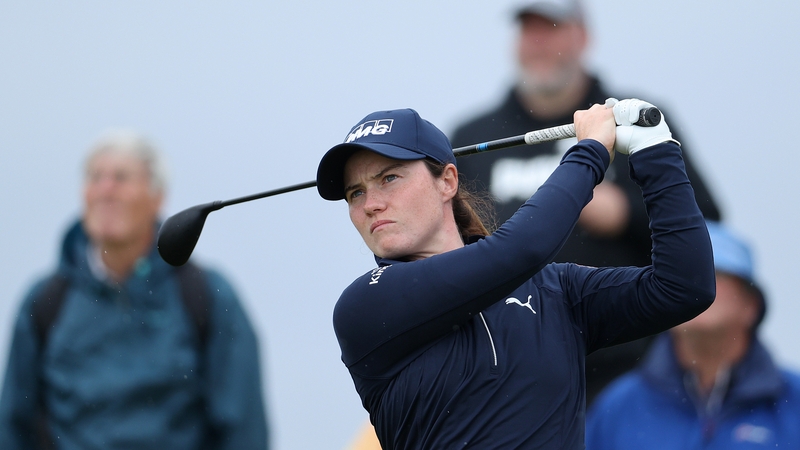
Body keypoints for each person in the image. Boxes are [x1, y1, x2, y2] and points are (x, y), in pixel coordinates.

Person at [315, 99, 715, 449]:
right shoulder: (365, 307)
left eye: (389, 178)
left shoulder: (555, 290)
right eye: (356, 193)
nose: (370, 204)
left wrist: (657, 151)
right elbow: (521, 249)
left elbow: (683, 286)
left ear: (447, 181)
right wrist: (591, 151)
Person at [449, 0, 723, 405]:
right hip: (512, 370)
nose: (538, 43)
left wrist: (627, 213)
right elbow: (448, 251)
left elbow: (706, 223)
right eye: (529, 31)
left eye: (552, 29)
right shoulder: (476, 135)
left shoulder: (636, 119)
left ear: (583, 36)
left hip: (629, 369)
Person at [0, 130, 270, 449]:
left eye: (121, 178)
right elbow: (14, 425)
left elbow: (243, 429)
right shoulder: (45, 302)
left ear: (157, 196)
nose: (106, 189)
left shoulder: (207, 296)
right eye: (95, 177)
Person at [585, 222, 800, 449]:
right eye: (677, 277)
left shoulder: (794, 401)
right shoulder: (619, 406)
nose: (693, 286)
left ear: (751, 305)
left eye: (714, 273)